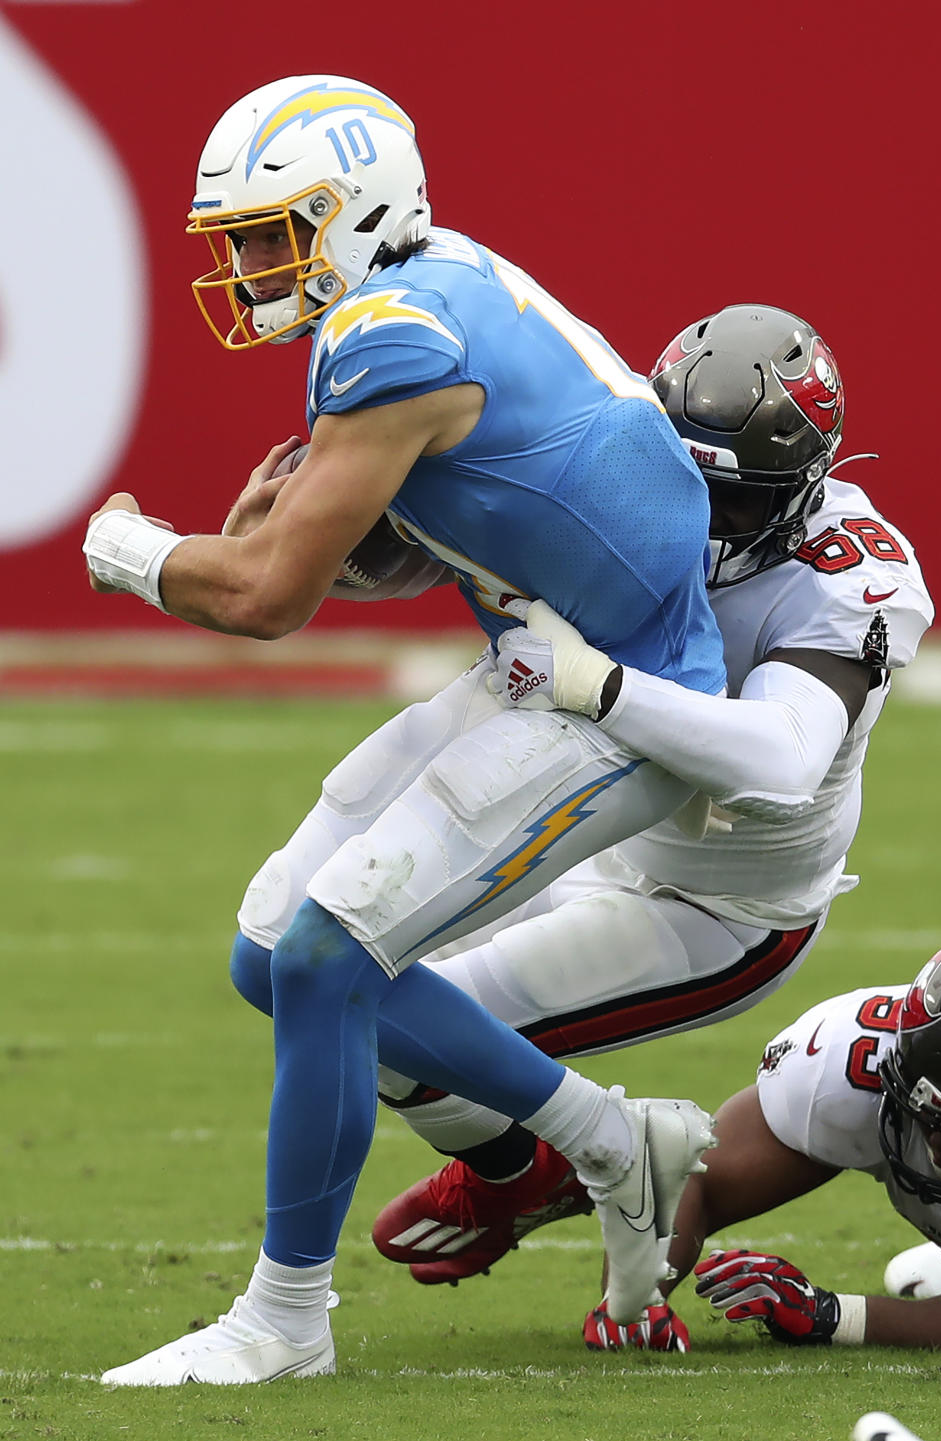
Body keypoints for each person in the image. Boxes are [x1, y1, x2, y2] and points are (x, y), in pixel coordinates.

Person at [84, 76, 727, 1385]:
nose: (254, 265)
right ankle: (610, 1142)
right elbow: (419, 528)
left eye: (275, 232)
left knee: (325, 955)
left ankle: (286, 1318)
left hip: (629, 701)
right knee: (270, 955)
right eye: (244, 240)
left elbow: (268, 599)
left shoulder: (397, 342)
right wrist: (272, 534)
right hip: (543, 657)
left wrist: (138, 551)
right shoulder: (412, 291)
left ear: (359, 210)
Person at [365, 304, 933, 1302]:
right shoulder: (622, 466)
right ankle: (551, 1166)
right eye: (689, 484)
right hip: (597, 833)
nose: (704, 522)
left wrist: (600, 687)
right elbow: (437, 546)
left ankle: (570, 1162)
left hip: (716, 910)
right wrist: (337, 528)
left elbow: (784, 758)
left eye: (740, 500)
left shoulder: (851, 577)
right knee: (349, 982)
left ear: (806, 482)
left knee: (395, 1019)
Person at [585, 936, 941, 1354]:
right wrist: (632, 1297)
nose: (939, 1145)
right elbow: (699, 1179)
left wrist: (829, 1313)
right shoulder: (847, 1067)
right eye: (929, 1120)